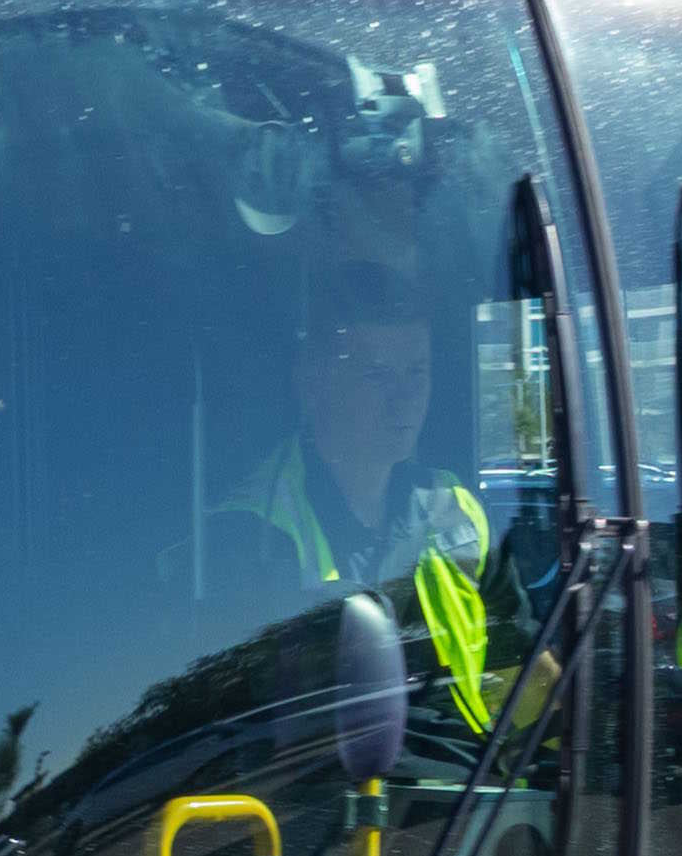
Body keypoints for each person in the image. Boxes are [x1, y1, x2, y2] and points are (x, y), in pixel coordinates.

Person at [209, 254, 503, 737]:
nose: (405, 398)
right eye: (379, 375)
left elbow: (522, 663)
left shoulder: (459, 509)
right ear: (311, 383)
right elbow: (258, 739)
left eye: (417, 373)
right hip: (327, 800)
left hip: (468, 790)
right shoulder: (251, 534)